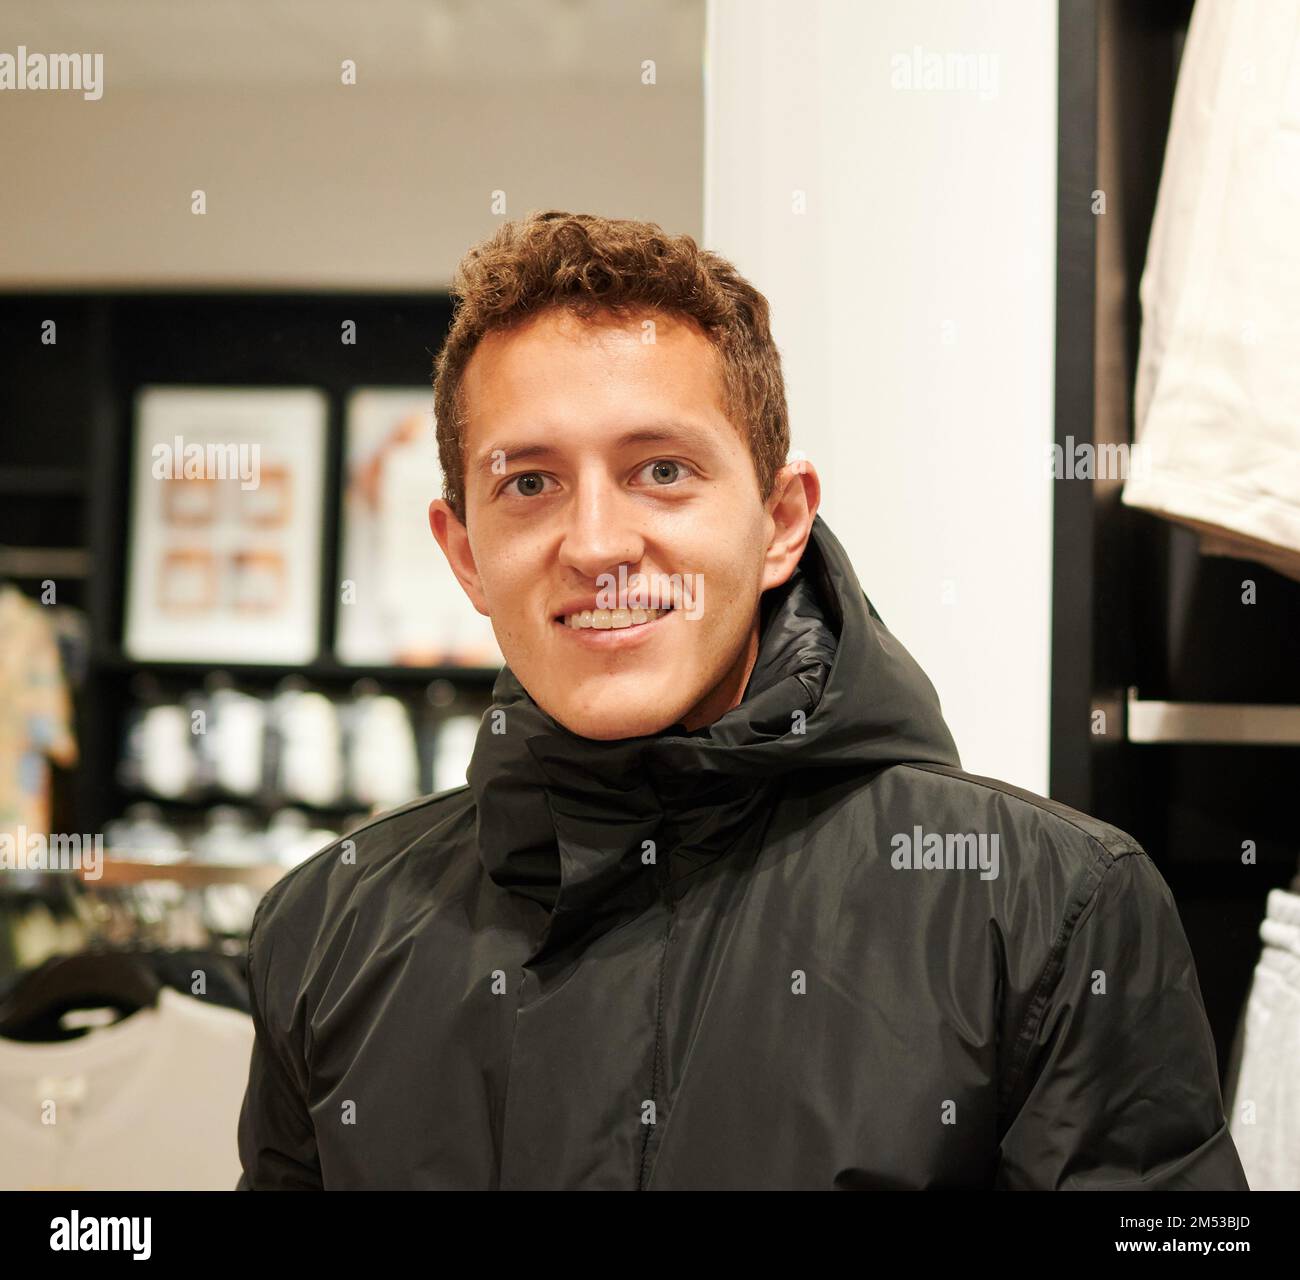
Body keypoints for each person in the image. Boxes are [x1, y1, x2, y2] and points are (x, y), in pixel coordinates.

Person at [236, 210, 1247, 1190]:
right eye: (531, 482)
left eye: (661, 470)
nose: (595, 543)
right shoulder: (329, 931)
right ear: (463, 552)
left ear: (779, 519)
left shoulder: (1044, 911)